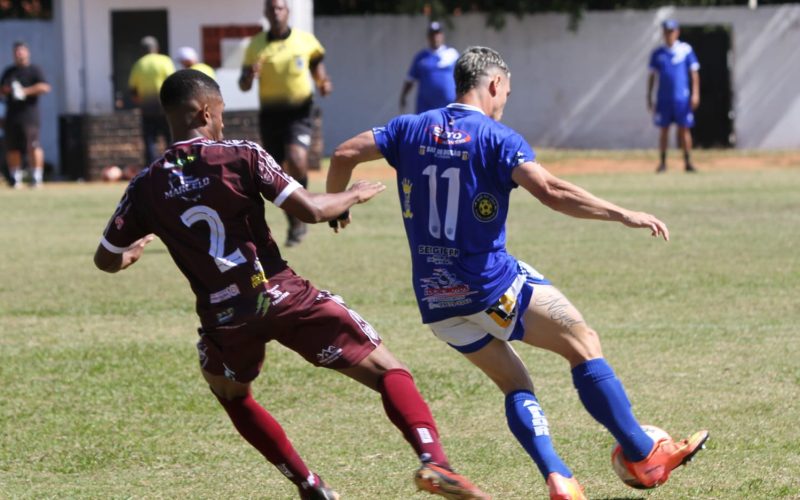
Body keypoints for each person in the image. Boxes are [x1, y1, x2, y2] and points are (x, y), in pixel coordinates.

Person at [327, 46, 709, 500]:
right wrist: (622, 213)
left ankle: (557, 475)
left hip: (437, 302)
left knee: (515, 384)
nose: (506, 98)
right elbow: (550, 191)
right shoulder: (497, 137)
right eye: (506, 90)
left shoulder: (408, 128)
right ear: (492, 84)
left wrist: (337, 206)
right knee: (583, 344)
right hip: (491, 286)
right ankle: (645, 454)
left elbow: (345, 152)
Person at [93, 69, 488, 500]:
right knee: (388, 369)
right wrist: (353, 194)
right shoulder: (241, 154)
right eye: (221, 113)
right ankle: (435, 462)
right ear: (206, 110)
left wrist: (130, 255)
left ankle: (309, 484)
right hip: (280, 294)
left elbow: (106, 257)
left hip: (224, 319)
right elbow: (311, 211)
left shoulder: (145, 184)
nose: (223, 122)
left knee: (231, 393)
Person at [239, 0, 333, 247]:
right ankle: (294, 222)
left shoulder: (305, 40)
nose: (276, 12)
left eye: (280, 8)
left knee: (297, 158)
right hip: (270, 116)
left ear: (287, 12)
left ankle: (304, 208)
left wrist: (323, 83)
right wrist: (250, 75)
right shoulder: (256, 45)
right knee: (277, 171)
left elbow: (317, 68)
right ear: (266, 13)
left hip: (299, 113)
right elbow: (243, 84)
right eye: (271, 9)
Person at [647, 19, 700, 173]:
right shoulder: (658, 53)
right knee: (664, 130)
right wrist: (649, 96)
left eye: (671, 31)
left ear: (677, 32)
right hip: (663, 99)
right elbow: (652, 76)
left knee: (684, 129)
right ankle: (663, 163)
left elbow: (694, 73)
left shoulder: (686, 50)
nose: (669, 34)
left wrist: (695, 93)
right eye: (666, 31)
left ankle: (688, 162)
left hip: (682, 99)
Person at [0, 40, 50, 188]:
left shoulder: (34, 70)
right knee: (12, 147)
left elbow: (45, 87)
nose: (18, 54)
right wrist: (8, 90)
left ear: (27, 52)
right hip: (12, 115)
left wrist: (25, 91)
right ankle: (16, 178)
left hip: (29, 115)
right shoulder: (9, 72)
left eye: (21, 51)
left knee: (33, 145)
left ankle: (36, 177)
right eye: (16, 51)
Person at [128, 35, 175, 166]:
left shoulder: (138, 65)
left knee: (149, 140)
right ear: (157, 48)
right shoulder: (165, 61)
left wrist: (141, 103)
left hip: (147, 109)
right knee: (170, 137)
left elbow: (133, 91)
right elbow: (173, 83)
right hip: (166, 107)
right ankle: (173, 164)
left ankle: (152, 167)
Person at [399, 21, 459, 114]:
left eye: (437, 34)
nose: (435, 37)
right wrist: (403, 96)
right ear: (428, 37)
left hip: (448, 107)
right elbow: (410, 79)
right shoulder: (421, 57)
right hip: (426, 107)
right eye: (432, 34)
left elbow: (463, 77)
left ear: (442, 35)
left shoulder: (452, 54)